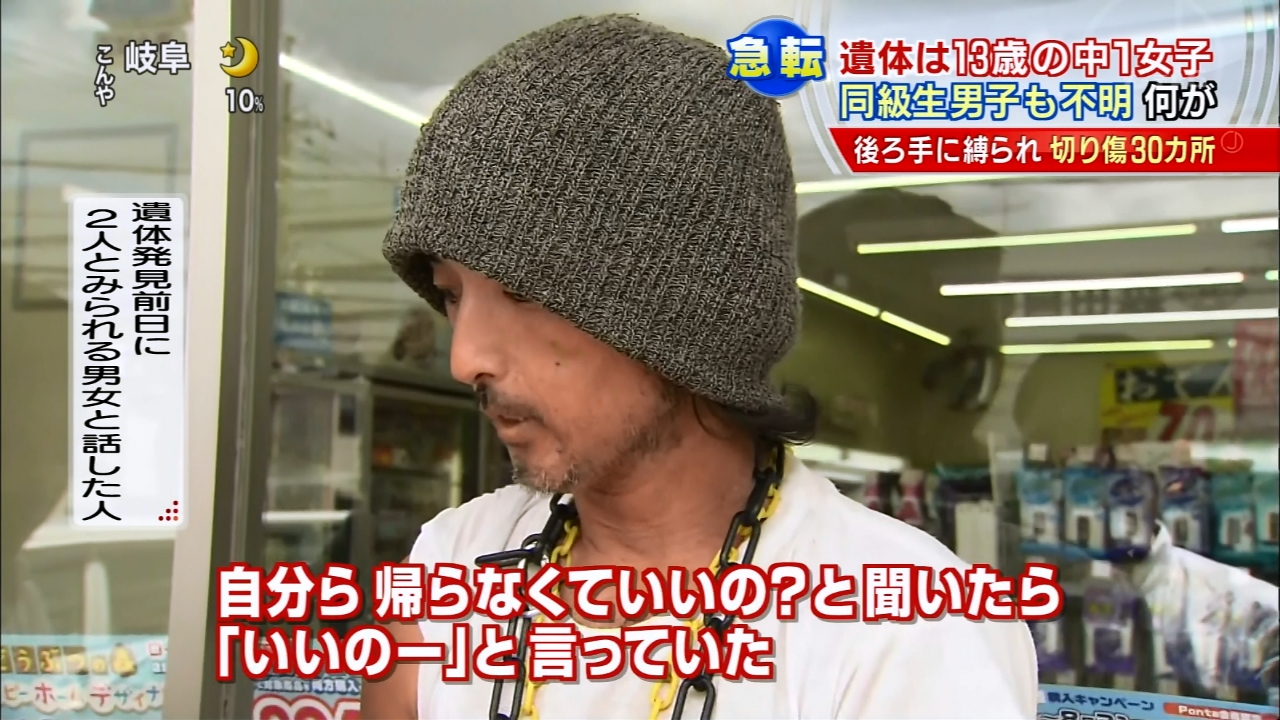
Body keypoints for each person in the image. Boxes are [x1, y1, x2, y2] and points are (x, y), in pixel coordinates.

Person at [363, 14, 1037, 720]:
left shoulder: (909, 635)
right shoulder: (450, 571)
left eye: (522, 291)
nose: (465, 357)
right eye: (452, 294)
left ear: (684, 311)